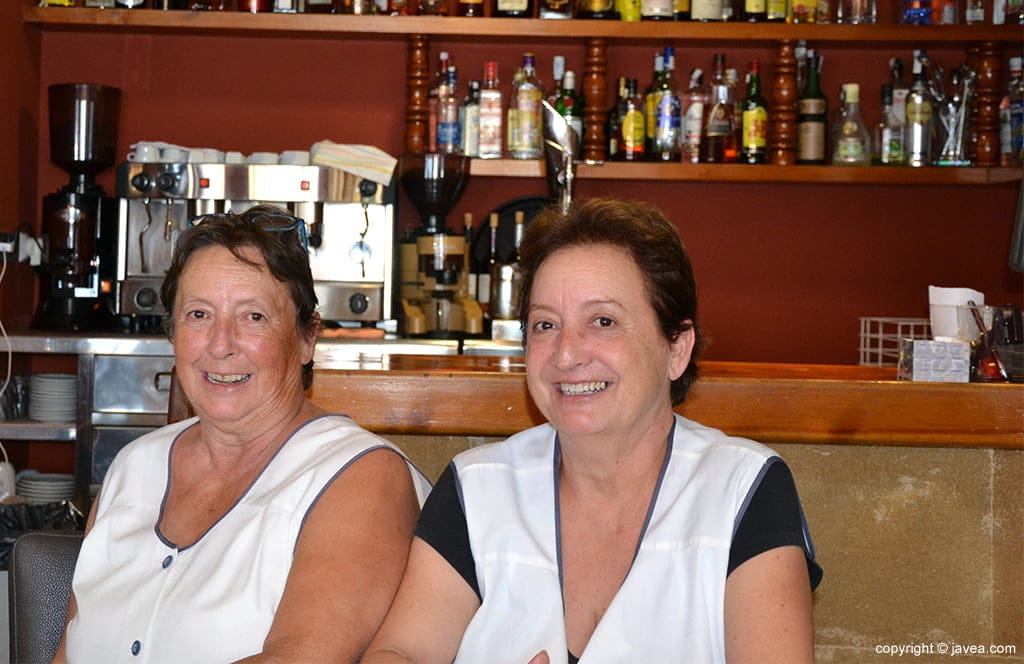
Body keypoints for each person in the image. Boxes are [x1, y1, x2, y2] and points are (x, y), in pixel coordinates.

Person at [363, 197, 823, 664]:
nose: (566, 355)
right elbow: (400, 651)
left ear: (677, 349)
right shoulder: (476, 487)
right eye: (545, 325)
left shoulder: (744, 491)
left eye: (603, 321)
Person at [55, 205, 431, 662]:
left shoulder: (363, 478)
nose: (220, 344)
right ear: (172, 333)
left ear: (307, 338)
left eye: (253, 317)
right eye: (198, 314)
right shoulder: (134, 466)